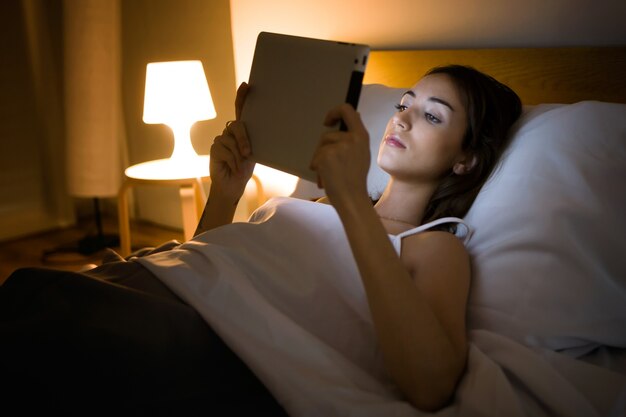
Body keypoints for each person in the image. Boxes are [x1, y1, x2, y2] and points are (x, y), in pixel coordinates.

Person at [0, 65, 521, 415]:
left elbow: (431, 385)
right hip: (157, 288)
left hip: (205, 345)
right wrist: (224, 196)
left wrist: (352, 204)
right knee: (31, 296)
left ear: (465, 159)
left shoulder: (434, 246)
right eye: (404, 103)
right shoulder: (317, 203)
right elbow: (204, 268)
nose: (403, 116)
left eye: (431, 115)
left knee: (38, 316)